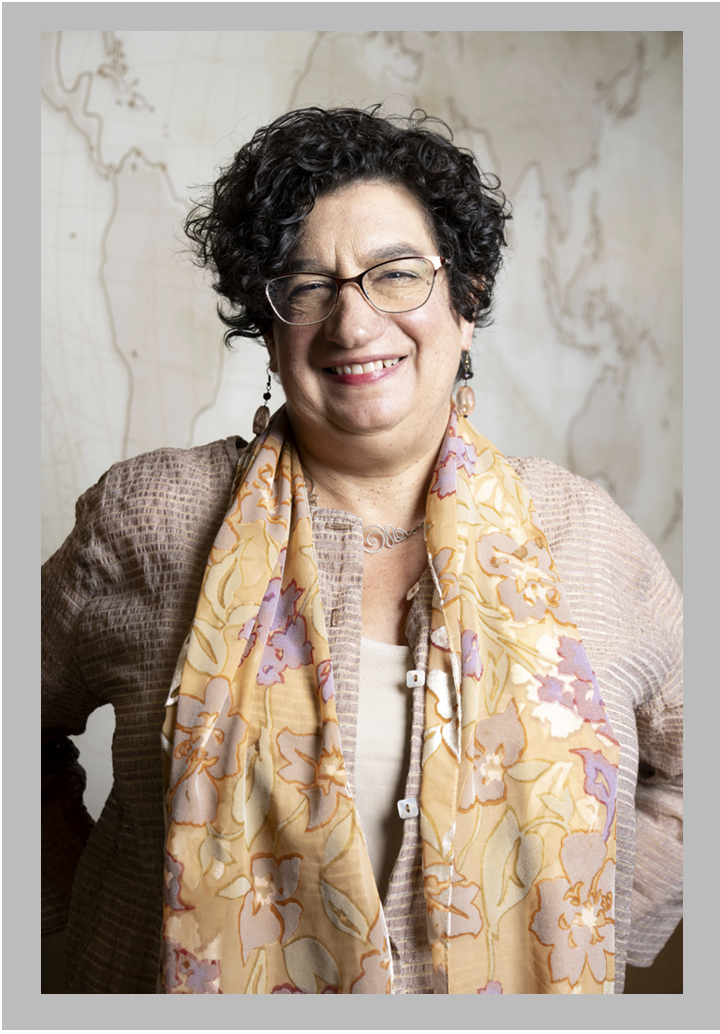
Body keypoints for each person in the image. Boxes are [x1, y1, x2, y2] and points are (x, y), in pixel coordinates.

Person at [41, 106, 682, 995]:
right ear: (269, 328)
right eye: (308, 286)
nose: (353, 323)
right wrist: (96, 913)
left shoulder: (586, 535)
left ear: (467, 300)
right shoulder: (148, 519)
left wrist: (603, 918)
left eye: (397, 275)